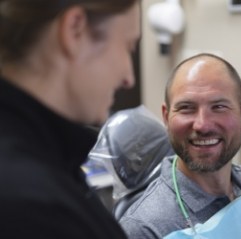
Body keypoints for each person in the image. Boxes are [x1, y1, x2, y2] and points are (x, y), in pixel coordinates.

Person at [0, 0, 140, 238]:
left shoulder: (43, 165)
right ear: (75, 29)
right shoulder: (33, 207)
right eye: (128, 46)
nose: (129, 78)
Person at [119, 53, 241, 238]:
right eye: (186, 108)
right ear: (167, 118)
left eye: (219, 107)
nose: (202, 125)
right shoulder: (144, 228)